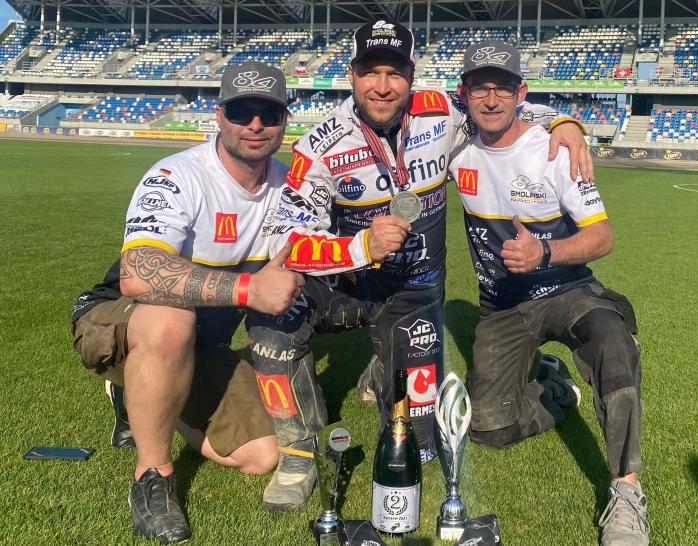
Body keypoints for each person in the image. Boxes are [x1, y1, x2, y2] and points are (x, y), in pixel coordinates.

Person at [247, 20, 594, 512]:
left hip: (415, 292)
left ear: (412, 75)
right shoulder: (319, 145)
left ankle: (385, 366)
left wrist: (565, 123)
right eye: (371, 72)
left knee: (423, 443)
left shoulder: (441, 113)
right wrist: (358, 247)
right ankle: (299, 451)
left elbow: (506, 111)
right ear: (351, 75)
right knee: (272, 312)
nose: (383, 86)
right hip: (348, 285)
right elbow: (283, 243)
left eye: (396, 72)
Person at [70, 61, 408, 544]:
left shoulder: (290, 186)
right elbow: (137, 274)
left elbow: (315, 256)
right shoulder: (178, 175)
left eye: (268, 114)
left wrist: (368, 250)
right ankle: (154, 477)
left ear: (284, 120)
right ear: (219, 114)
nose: (254, 125)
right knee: (170, 322)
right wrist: (249, 291)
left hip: (201, 345)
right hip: (118, 321)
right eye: (241, 111)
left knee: (262, 455)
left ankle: (136, 394)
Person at [447, 41, 649, 546]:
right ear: (464, 93)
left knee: (611, 339)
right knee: (489, 429)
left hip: (568, 289)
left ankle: (626, 493)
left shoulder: (555, 149)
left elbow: (602, 238)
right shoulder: (455, 148)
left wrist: (545, 252)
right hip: (505, 306)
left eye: (502, 88)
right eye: (480, 88)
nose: (490, 100)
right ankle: (556, 389)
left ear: (522, 93)